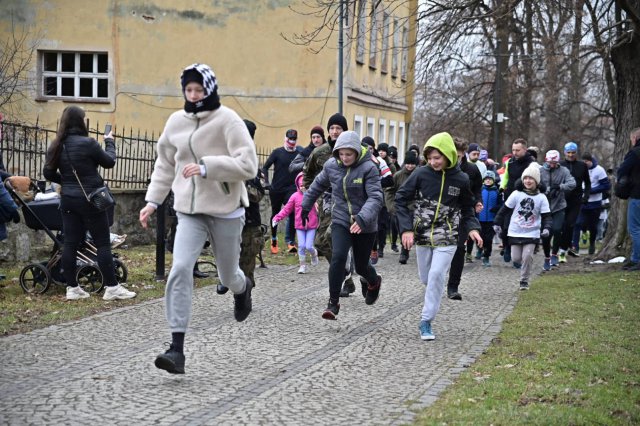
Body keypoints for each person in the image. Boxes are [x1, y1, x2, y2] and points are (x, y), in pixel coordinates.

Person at [139, 63, 257, 374]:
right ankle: (176, 349)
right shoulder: (175, 122)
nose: (193, 96)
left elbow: (249, 165)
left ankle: (242, 289)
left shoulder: (228, 120)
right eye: (188, 90)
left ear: (210, 90)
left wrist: (207, 167)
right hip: (189, 212)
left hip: (226, 209)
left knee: (227, 275)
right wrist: (152, 201)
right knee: (179, 268)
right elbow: (165, 165)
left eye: (199, 90)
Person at [42, 106, 135, 302]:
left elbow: (48, 173)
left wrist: (67, 182)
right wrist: (109, 141)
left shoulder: (57, 145)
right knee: (102, 243)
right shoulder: (89, 143)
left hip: (68, 200)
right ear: (81, 122)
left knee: (70, 243)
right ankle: (112, 288)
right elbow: (109, 162)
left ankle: (72, 288)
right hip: (91, 200)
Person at [395, 132, 482, 341]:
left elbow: (467, 207)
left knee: (436, 276)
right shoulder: (420, 174)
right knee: (426, 278)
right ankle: (433, 293)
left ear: (449, 156)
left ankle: (426, 321)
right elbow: (400, 199)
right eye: (430, 158)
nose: (433, 162)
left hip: (449, 234)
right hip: (423, 233)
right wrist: (406, 229)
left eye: (438, 158)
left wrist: (472, 228)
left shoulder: (461, 179)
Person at [301, 130, 383, 320]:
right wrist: (305, 205)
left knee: (362, 266)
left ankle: (373, 281)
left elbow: (376, 197)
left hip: (364, 223)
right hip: (341, 219)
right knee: (338, 257)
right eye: (341, 154)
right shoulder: (331, 166)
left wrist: (362, 219)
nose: (345, 158)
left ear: (356, 152)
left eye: (349, 154)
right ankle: (333, 302)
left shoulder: (369, 168)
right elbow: (317, 186)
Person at [302, 113, 356, 297]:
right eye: (332, 128)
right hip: (326, 202)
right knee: (321, 242)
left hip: (346, 203)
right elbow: (307, 175)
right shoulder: (319, 152)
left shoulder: (354, 151)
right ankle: (346, 274)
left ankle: (344, 277)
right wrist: (314, 197)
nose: (334, 131)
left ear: (344, 130)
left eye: (338, 128)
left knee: (336, 238)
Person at [217, 119, 266, 295]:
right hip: (226, 219)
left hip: (249, 224)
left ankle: (244, 297)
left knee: (246, 266)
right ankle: (225, 278)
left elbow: (258, 194)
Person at [494, 164, 552, 290]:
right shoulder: (516, 194)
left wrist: (546, 228)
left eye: (531, 179)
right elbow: (504, 210)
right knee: (516, 258)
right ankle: (526, 267)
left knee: (527, 256)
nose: (528, 181)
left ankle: (524, 280)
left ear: (536, 181)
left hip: (532, 233)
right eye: (525, 178)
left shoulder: (541, 197)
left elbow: (547, 216)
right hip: (515, 231)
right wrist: (496, 223)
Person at [446, 137, 482, 301]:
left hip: (462, 214)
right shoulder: (441, 168)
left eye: (460, 156)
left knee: (459, 249)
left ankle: (453, 286)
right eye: (454, 156)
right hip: (442, 216)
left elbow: (477, 189)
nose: (457, 160)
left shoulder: (472, 170)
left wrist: (478, 202)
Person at [263, 128, 302, 254]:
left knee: (293, 212)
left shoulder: (300, 152)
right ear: (286, 138)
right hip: (276, 189)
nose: (292, 141)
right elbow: (264, 167)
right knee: (275, 214)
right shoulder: (277, 152)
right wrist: (267, 182)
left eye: (294, 139)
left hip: (291, 189)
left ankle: (290, 242)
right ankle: (274, 240)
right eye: (290, 138)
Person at [272, 172, 319, 274]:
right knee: (301, 246)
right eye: (301, 185)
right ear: (297, 185)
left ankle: (314, 254)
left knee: (309, 246)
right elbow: (287, 209)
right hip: (299, 225)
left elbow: (320, 207)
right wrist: (277, 218)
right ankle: (302, 266)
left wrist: (315, 203)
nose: (303, 187)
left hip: (311, 225)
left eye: (305, 185)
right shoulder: (294, 196)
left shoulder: (314, 195)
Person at [499, 139, 535, 263]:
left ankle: (518, 255)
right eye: (513, 150)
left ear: (525, 150)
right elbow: (506, 176)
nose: (515, 152)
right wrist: (502, 187)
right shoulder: (510, 162)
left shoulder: (531, 163)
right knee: (506, 225)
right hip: (510, 196)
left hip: (525, 199)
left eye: (518, 150)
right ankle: (507, 246)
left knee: (520, 226)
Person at [539, 149, 575, 270]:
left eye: (554, 163)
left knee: (557, 229)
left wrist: (559, 187)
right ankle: (547, 257)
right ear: (546, 160)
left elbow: (572, 183)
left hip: (559, 206)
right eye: (550, 162)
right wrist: (546, 189)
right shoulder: (540, 171)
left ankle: (554, 254)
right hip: (544, 207)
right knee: (545, 234)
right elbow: (533, 184)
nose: (552, 165)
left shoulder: (563, 170)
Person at [559, 142, 591, 259]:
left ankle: (563, 249)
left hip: (576, 200)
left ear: (576, 153)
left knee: (570, 224)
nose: (571, 155)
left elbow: (587, 183)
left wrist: (585, 197)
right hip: (561, 199)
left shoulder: (582, 165)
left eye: (573, 153)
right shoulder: (560, 165)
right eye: (568, 152)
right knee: (561, 226)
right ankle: (565, 246)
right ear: (564, 153)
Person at [386, 150, 418, 263]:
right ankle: (404, 247)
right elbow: (389, 191)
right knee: (400, 228)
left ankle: (405, 252)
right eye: (408, 163)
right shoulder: (398, 175)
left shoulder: (419, 174)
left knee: (410, 229)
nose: (410, 166)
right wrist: (391, 207)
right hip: (400, 207)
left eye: (412, 164)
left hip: (415, 207)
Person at [575, 153, 610, 255]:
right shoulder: (579, 168)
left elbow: (606, 186)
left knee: (593, 226)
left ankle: (592, 244)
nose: (585, 164)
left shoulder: (599, 170)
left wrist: (591, 190)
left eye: (587, 162)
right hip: (582, 201)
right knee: (578, 223)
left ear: (591, 161)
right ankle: (575, 247)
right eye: (583, 162)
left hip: (595, 202)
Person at [617, 127, 640, 270]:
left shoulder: (635, 153)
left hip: (637, 196)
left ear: (635, 138)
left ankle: (637, 259)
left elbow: (622, 170)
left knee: (635, 228)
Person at [477, 171, 502, 267]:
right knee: (479, 237)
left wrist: (495, 209)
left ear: (493, 180)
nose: (488, 180)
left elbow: (501, 204)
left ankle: (486, 256)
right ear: (483, 180)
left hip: (491, 220)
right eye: (486, 179)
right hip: (480, 219)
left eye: (490, 179)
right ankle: (479, 249)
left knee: (488, 239)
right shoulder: (480, 190)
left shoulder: (497, 191)